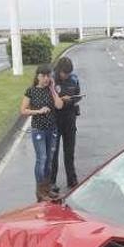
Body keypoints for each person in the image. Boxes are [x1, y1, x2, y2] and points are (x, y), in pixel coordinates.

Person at [20, 64, 64, 201]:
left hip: (52, 129)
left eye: (48, 76)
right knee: (42, 158)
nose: (46, 79)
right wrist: (38, 111)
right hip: (39, 129)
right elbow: (23, 110)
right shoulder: (31, 91)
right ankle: (40, 190)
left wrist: (53, 90)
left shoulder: (51, 90)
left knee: (50, 160)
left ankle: (47, 188)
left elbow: (59, 105)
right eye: (43, 76)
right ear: (38, 76)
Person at [51, 57, 81, 192]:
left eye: (68, 73)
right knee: (53, 153)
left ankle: (72, 179)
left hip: (69, 119)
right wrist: (61, 100)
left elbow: (77, 95)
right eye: (64, 73)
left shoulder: (74, 79)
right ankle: (51, 182)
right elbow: (44, 100)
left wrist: (72, 100)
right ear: (58, 70)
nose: (66, 76)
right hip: (54, 121)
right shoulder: (50, 80)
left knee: (69, 152)